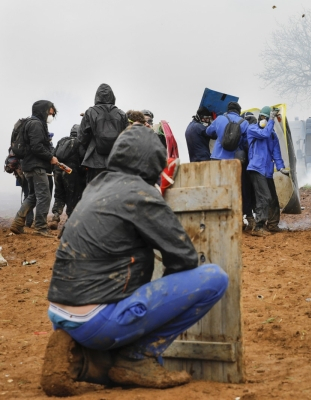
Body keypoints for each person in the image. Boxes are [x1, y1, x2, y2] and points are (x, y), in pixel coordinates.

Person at [40, 125, 229, 396]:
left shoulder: (97, 186)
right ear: (153, 161)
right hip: (97, 321)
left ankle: (86, 359)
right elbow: (184, 258)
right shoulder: (140, 194)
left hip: (59, 315)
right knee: (214, 278)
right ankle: (137, 358)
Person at [10, 100, 59, 237]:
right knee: (44, 196)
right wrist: (50, 158)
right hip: (36, 166)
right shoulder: (36, 124)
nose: (51, 115)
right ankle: (40, 228)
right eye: (50, 112)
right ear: (43, 111)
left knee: (33, 196)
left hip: (29, 166)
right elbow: (37, 147)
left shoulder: (32, 123)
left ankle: (18, 223)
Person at [247, 106, 288, 237]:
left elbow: (276, 153)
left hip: (267, 171)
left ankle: (272, 225)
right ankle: (258, 226)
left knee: (273, 199)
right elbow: (264, 133)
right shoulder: (253, 129)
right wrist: (271, 119)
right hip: (256, 169)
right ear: (260, 118)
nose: (264, 120)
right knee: (264, 197)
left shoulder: (272, 135)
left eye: (267, 117)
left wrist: (281, 167)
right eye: (263, 117)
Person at [78, 84, 128, 184]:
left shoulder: (90, 112)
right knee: (114, 193)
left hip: (95, 161)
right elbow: (127, 137)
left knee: (94, 193)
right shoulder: (121, 114)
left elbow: (81, 137)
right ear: (113, 96)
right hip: (116, 161)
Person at [49, 124, 84, 231]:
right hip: (70, 172)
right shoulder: (80, 142)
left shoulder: (62, 140)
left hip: (58, 171)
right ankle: (69, 220)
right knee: (72, 195)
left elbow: (53, 155)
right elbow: (82, 158)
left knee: (59, 194)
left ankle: (55, 217)